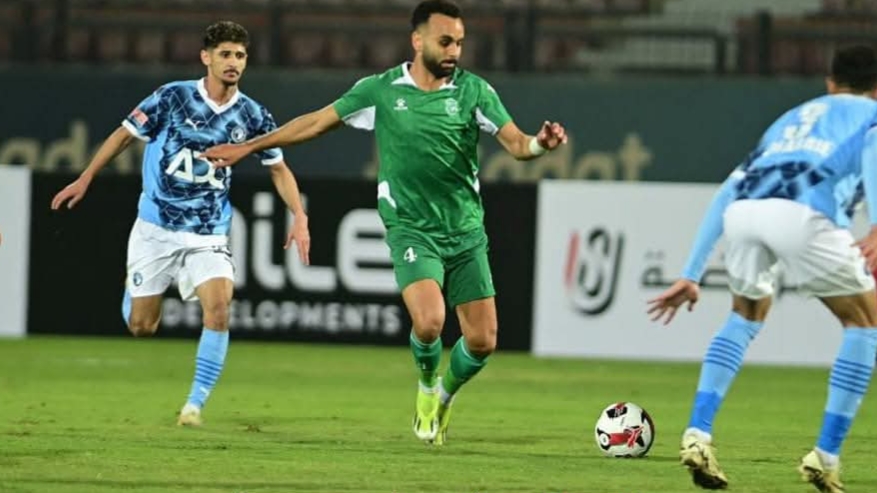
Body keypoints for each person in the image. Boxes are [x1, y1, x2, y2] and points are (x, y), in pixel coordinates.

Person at [202, 0, 566, 446]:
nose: (454, 51)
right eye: (445, 41)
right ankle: (427, 386)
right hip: (411, 228)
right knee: (429, 322)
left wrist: (540, 144)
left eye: (459, 43)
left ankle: (444, 396)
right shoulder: (380, 90)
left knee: (483, 341)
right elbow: (316, 122)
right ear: (418, 40)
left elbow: (518, 145)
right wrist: (248, 147)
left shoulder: (474, 92)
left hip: (466, 231)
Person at [50, 21, 311, 427]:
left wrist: (299, 214)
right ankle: (133, 288)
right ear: (206, 57)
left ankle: (194, 405)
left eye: (240, 55)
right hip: (156, 229)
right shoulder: (172, 97)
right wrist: (86, 178)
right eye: (225, 54)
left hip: (208, 233)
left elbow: (278, 168)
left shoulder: (253, 114)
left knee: (220, 308)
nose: (233, 62)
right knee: (142, 327)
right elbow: (124, 135)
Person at [647, 45, 877, 493]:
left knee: (745, 314)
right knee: (865, 323)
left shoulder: (790, 119)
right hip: (804, 213)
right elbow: (873, 152)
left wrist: (691, 272)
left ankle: (697, 433)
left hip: (745, 214)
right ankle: (826, 456)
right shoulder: (870, 115)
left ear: (830, 82)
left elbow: (728, 189)